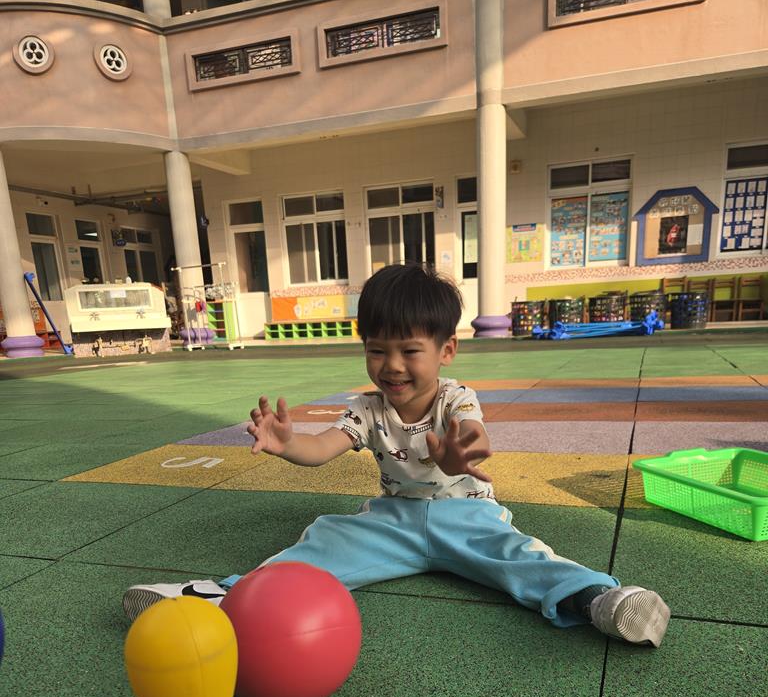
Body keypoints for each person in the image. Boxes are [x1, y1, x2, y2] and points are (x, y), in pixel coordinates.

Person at [123, 264, 670, 647]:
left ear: (446, 350)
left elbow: (474, 437)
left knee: (519, 556)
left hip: (468, 516)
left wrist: (458, 456)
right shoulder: (367, 408)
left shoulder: (456, 397)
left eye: (410, 350)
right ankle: (221, 597)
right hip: (395, 521)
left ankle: (596, 599)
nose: (392, 365)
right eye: (377, 350)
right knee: (324, 542)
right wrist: (287, 443)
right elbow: (323, 447)